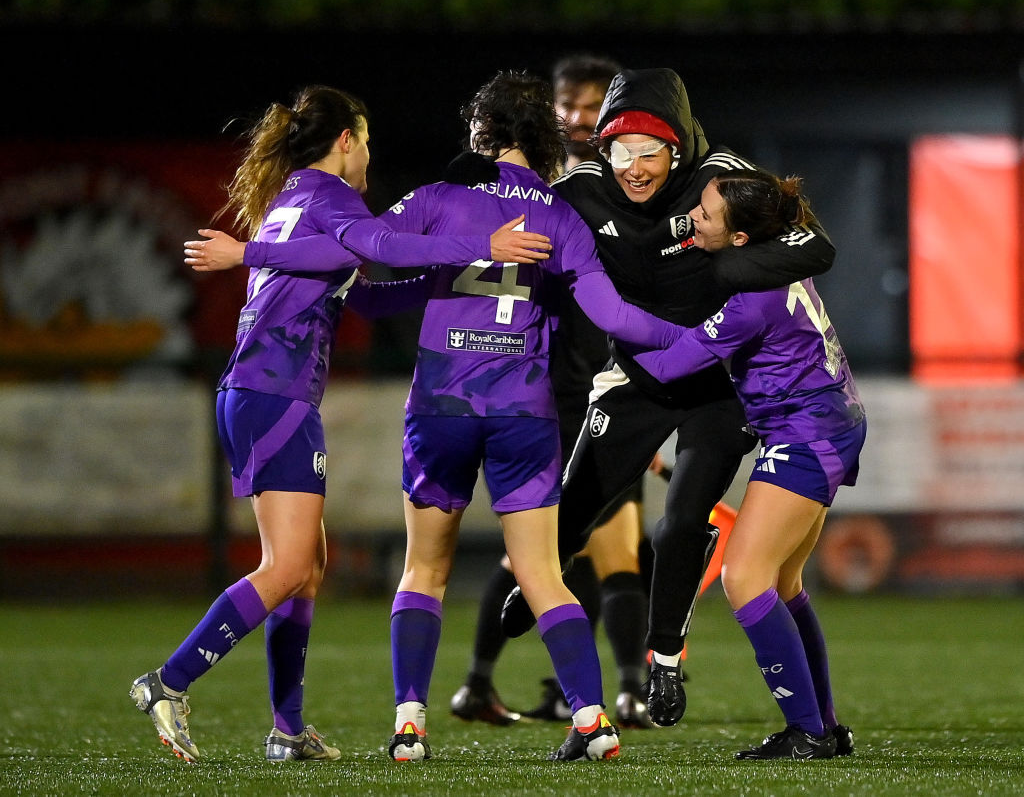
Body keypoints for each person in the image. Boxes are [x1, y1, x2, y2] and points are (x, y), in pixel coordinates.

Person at [128, 84, 551, 764]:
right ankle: (169, 681)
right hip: (276, 395)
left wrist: (450, 275)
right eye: (368, 140)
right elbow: (381, 242)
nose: (369, 155)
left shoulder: (290, 204)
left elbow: (362, 289)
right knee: (288, 565)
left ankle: (288, 729)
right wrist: (484, 240)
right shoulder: (331, 200)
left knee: (307, 567)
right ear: (347, 140)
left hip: (258, 392)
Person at [499, 68, 837, 731]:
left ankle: (665, 657)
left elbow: (813, 243)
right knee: (571, 514)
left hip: (720, 383)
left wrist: (734, 274)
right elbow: (499, 231)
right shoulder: (581, 189)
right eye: (619, 149)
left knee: (682, 523)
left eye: (648, 149)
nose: (632, 166)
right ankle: (532, 583)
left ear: (679, 149)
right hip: (639, 376)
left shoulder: (722, 176)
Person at [449, 53, 659, 731]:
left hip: (594, 385)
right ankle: (610, 692)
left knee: (593, 550)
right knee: (558, 551)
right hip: (555, 388)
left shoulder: (609, 185)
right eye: (564, 104)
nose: (574, 116)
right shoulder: (547, 193)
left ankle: (577, 688)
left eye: (588, 106)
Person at [633, 168, 864, 759]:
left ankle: (808, 731)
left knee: (743, 579)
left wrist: (606, 319)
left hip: (806, 433)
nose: (694, 220)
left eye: (706, 215)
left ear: (740, 240)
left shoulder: (749, 300)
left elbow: (669, 364)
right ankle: (824, 727)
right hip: (829, 423)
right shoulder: (776, 261)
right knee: (783, 582)